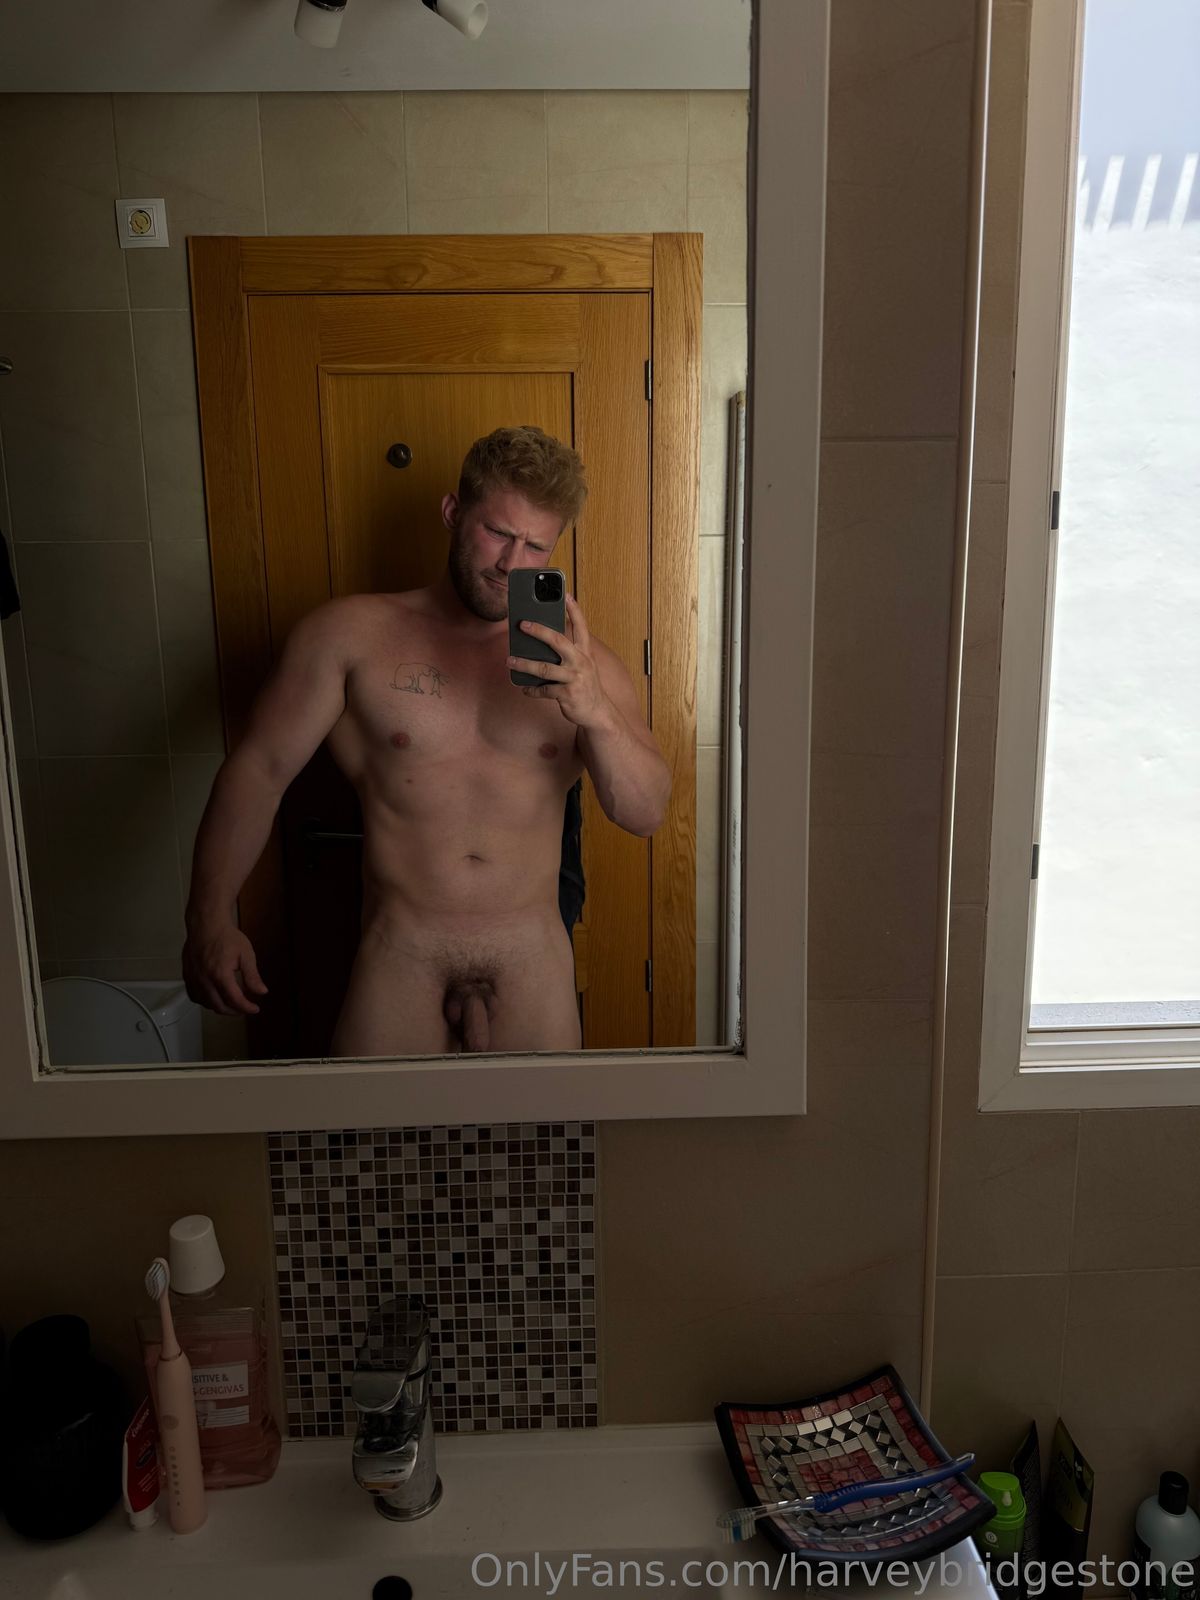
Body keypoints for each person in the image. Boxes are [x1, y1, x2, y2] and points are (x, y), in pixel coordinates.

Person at [182, 426, 671, 1057]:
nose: (511, 564)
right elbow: (259, 772)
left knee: (541, 1127)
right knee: (373, 1127)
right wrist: (209, 919)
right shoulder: (349, 637)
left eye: (535, 546)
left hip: (532, 965)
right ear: (452, 512)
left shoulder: (585, 667)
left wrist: (596, 713)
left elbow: (644, 813)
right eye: (497, 532)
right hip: (401, 961)